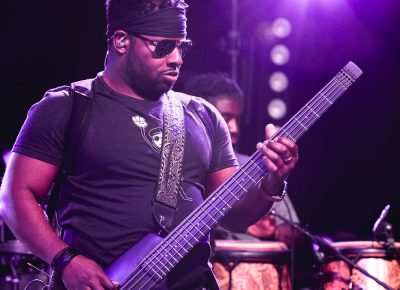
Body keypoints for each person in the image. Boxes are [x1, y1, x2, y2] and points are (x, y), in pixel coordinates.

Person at [0, 1, 299, 289]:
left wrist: (272, 181)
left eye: (182, 46)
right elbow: (15, 197)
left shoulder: (204, 116)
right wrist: (66, 260)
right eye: (164, 46)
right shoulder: (67, 107)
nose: (177, 59)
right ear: (121, 41)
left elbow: (234, 216)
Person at [182, 72, 302, 247]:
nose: (234, 128)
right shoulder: (178, 166)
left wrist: (272, 231)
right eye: (226, 118)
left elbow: (298, 237)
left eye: (237, 119)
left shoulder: (258, 166)